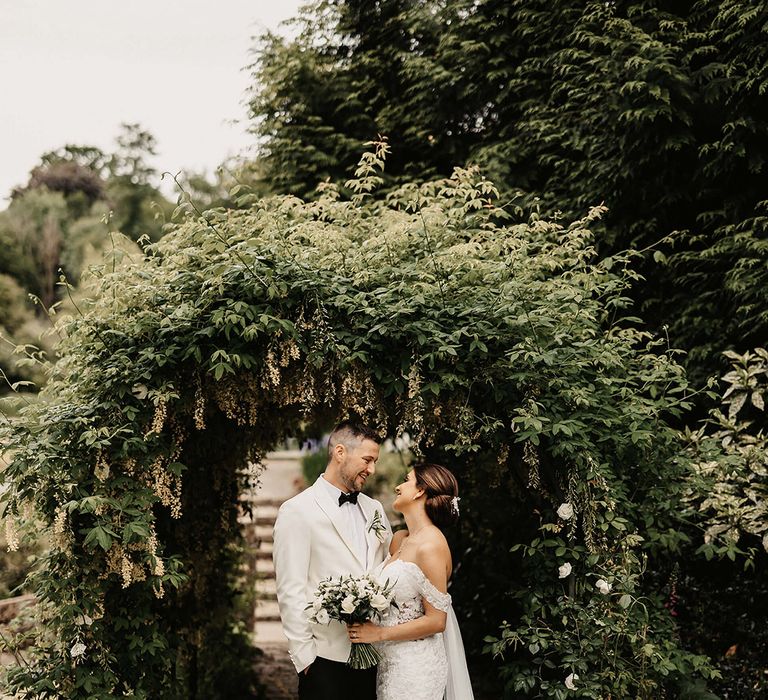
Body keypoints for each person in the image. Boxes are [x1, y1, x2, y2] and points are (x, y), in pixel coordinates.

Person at [273, 421, 393, 700]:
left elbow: (388, 566)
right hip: (324, 660)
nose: (372, 469)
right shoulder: (297, 511)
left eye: (375, 462)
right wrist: (306, 659)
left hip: (375, 658)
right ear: (340, 452)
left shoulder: (374, 509)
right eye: (367, 460)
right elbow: (290, 589)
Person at [347, 463, 474, 700]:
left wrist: (378, 634)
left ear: (419, 492)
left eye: (406, 480)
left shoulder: (432, 545)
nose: (398, 486)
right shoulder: (399, 539)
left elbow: (437, 620)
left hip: (417, 670)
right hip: (390, 665)